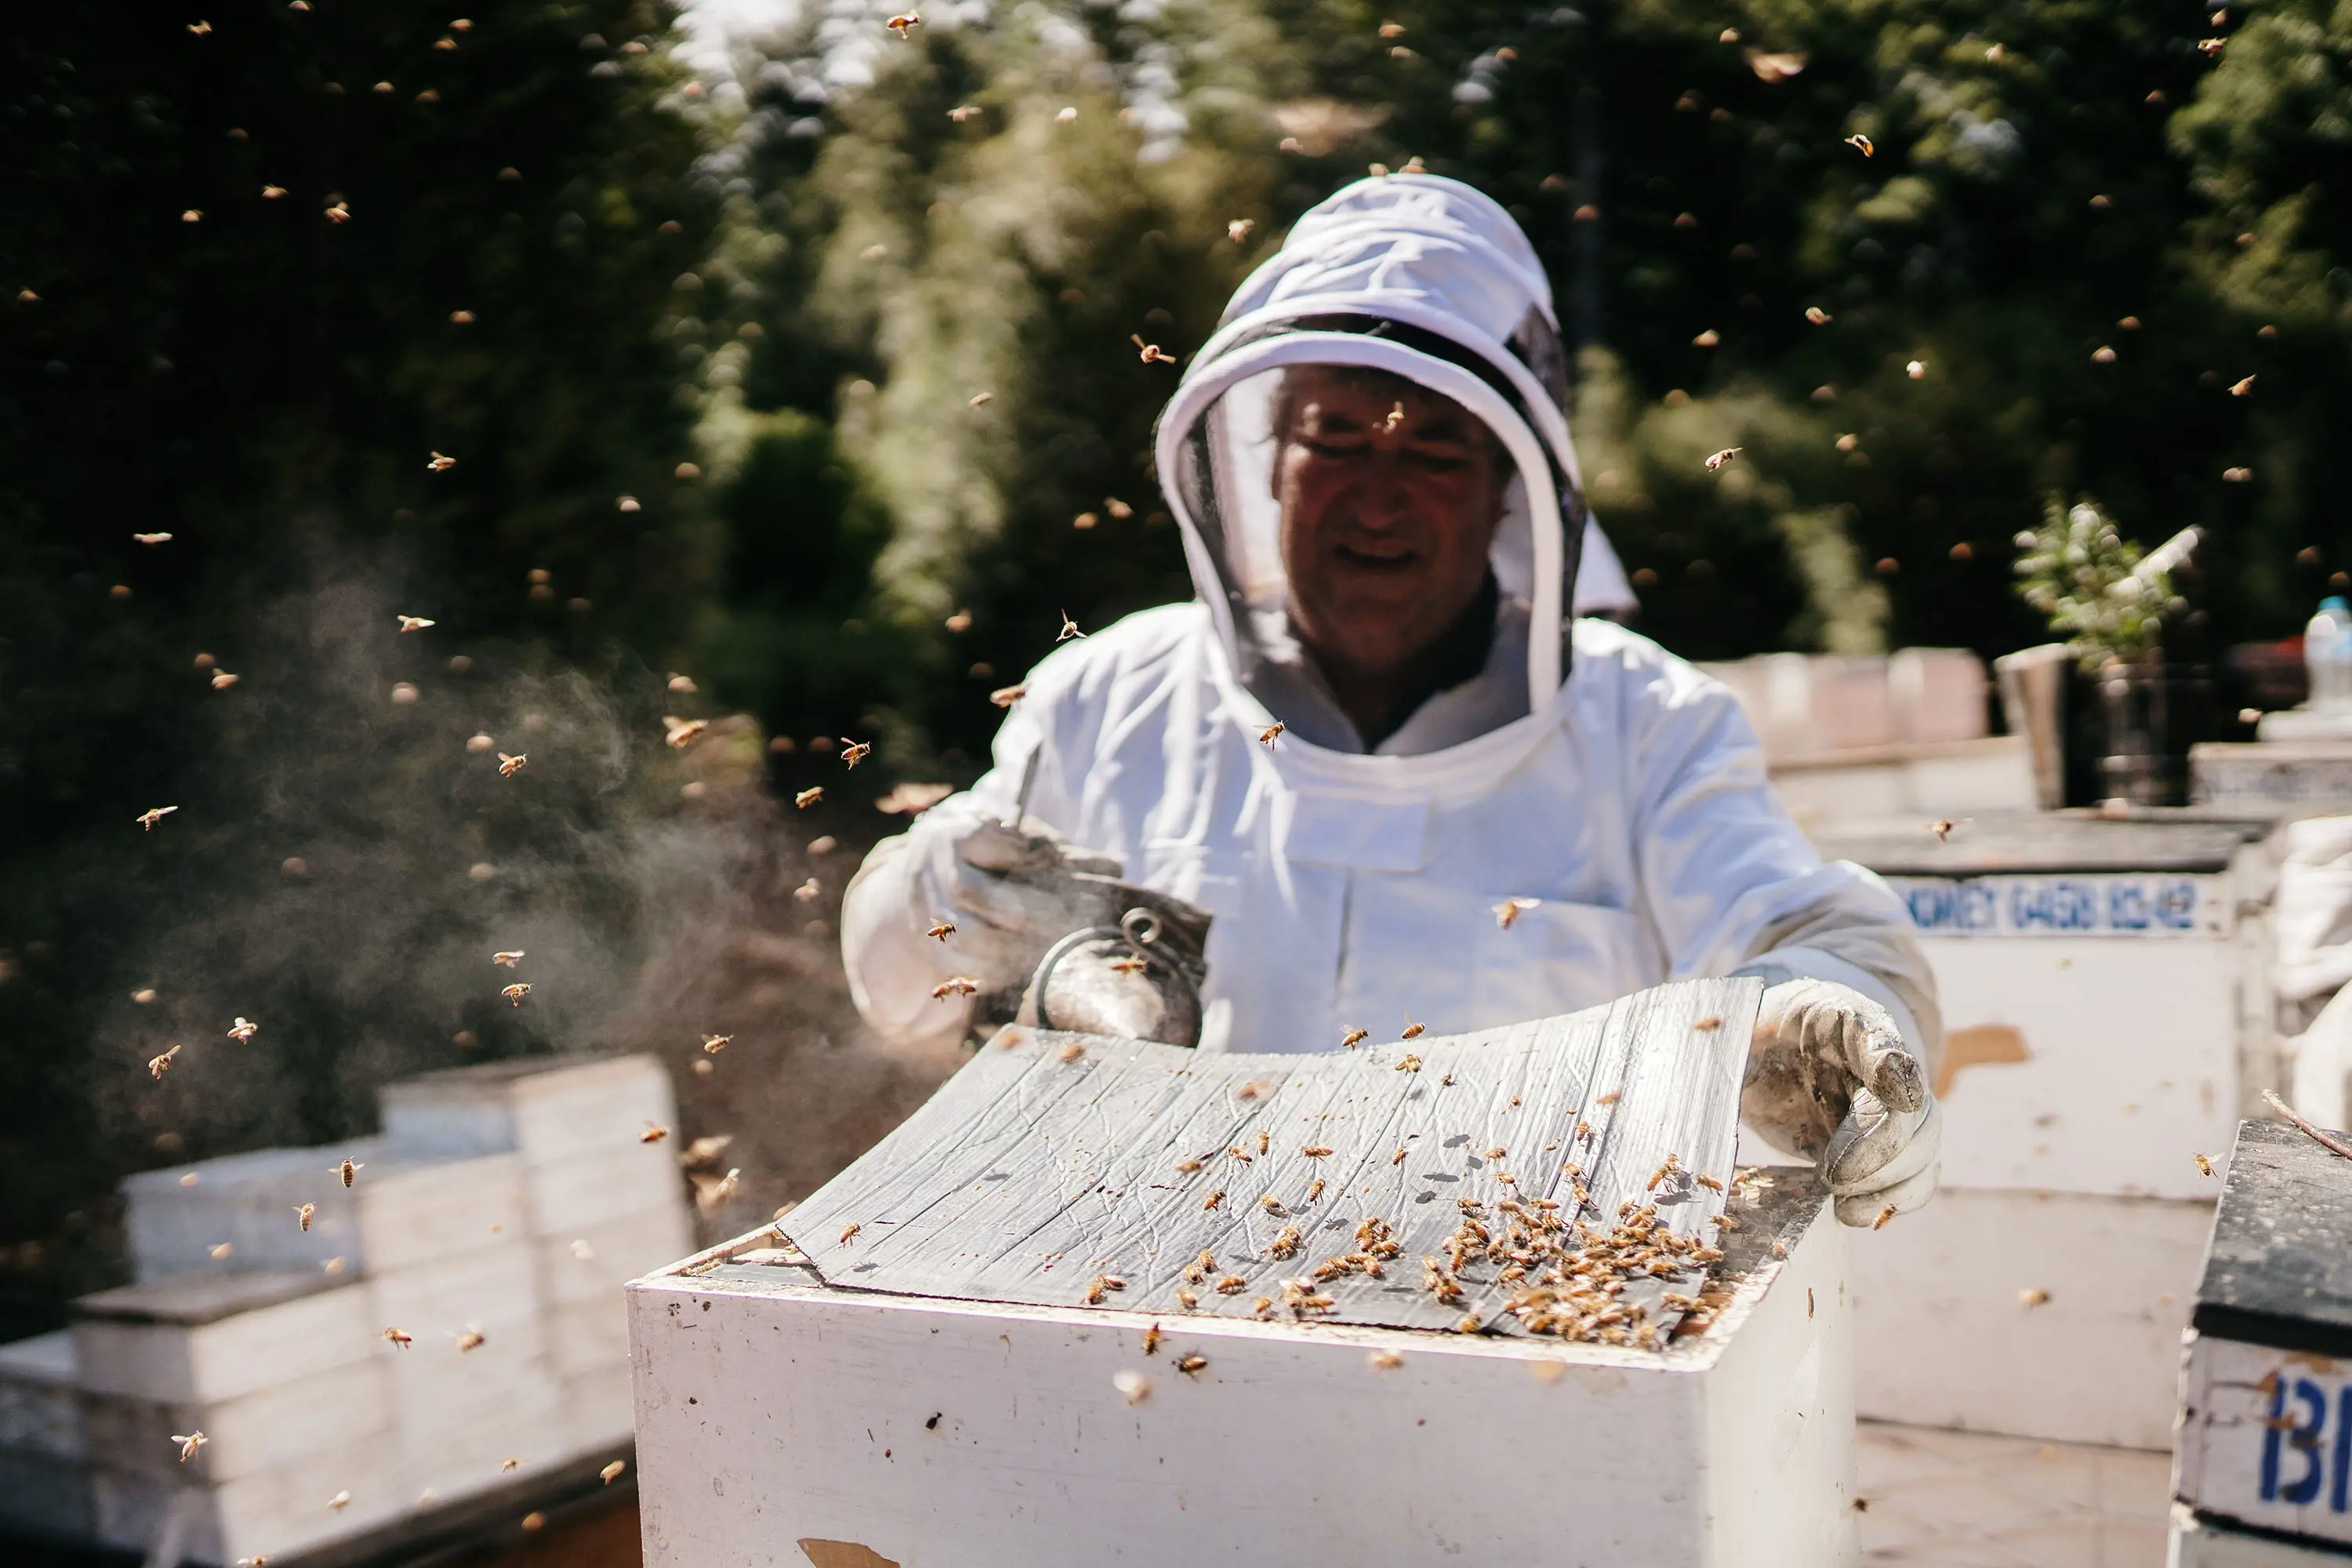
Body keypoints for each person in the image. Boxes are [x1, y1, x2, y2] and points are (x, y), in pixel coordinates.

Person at [840, 175, 1940, 1225]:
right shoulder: (1104, 697)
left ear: (1512, 489)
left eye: (1435, 447)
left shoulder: (1646, 724)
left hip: (1529, 1348)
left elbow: (1818, 929)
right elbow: (900, 993)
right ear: (1265, 464)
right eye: (1335, 436)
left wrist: (1814, 1018)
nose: (1378, 493)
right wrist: (935, 894)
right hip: (1143, 1326)